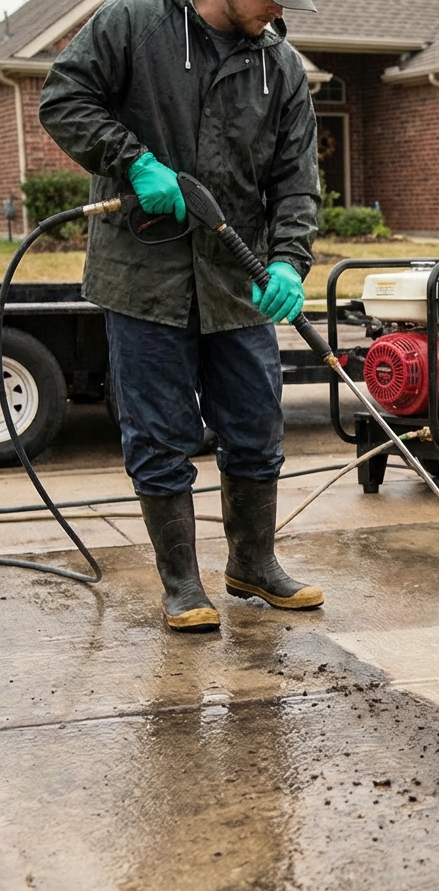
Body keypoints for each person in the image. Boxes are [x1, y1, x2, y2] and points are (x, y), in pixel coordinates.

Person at [39, 0, 323, 632]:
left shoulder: (280, 65)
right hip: (144, 275)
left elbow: (296, 179)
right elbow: (63, 100)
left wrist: (288, 262)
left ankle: (254, 563)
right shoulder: (133, 25)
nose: (280, 10)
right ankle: (182, 585)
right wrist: (134, 160)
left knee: (255, 425)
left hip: (236, 278)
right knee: (160, 434)